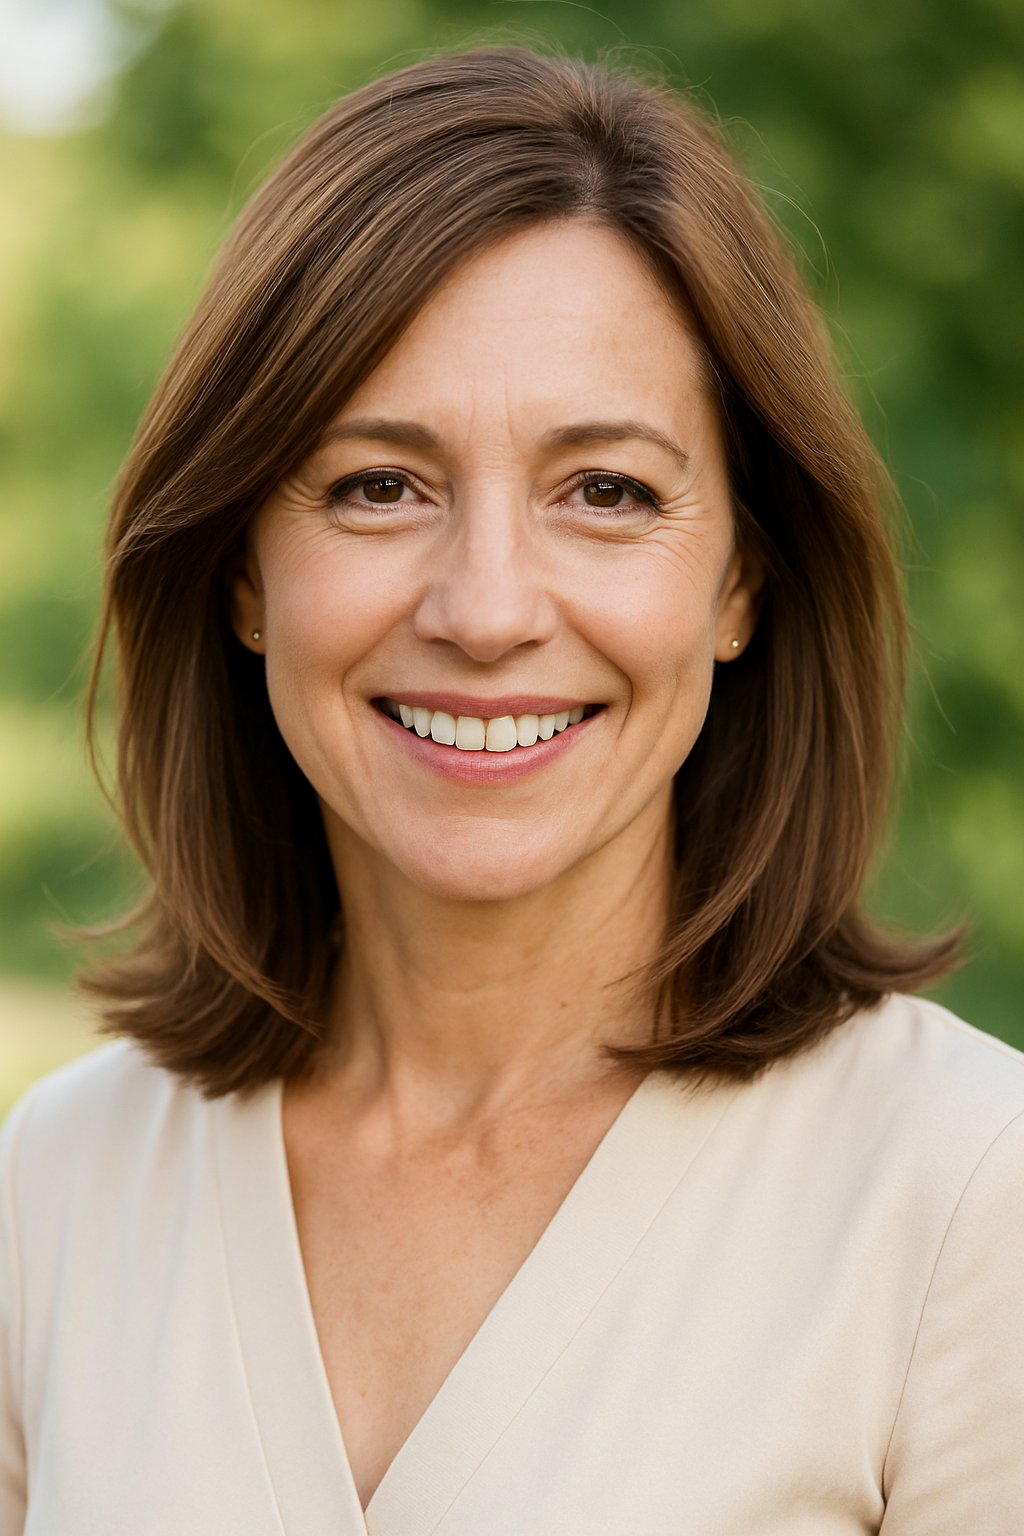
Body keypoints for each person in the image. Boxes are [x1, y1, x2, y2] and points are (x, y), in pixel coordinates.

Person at [1, 44, 1021, 1535]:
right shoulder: (61, 1186)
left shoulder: (963, 1198)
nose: (485, 610)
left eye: (605, 492)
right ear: (240, 574)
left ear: (742, 580)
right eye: (378, 486)